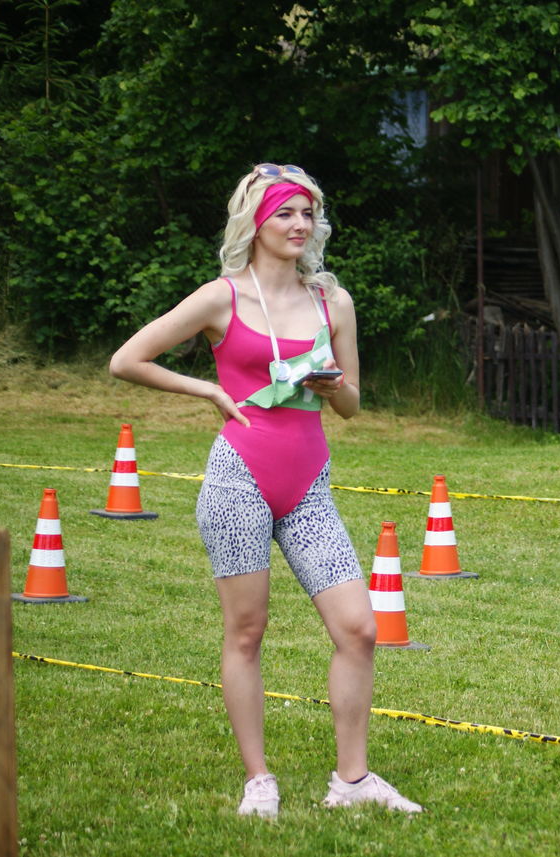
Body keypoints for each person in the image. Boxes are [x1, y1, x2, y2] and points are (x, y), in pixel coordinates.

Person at [110, 164, 421, 817]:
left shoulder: (333, 302)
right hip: (239, 480)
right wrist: (208, 389)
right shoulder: (221, 297)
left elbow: (353, 407)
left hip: (309, 484)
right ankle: (259, 779)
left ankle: (352, 781)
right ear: (255, 221)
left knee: (360, 628)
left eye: (307, 213)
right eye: (285, 212)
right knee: (247, 632)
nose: (300, 225)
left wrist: (335, 387)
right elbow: (127, 359)